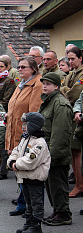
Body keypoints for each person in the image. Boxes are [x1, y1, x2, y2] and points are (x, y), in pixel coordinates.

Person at [6, 56, 43, 216]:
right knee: (19, 171)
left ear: (33, 69)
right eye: (19, 67)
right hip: (14, 133)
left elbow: (34, 113)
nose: (20, 69)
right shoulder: (21, 84)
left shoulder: (37, 84)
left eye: (24, 67)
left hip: (26, 136)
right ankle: (23, 204)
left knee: (28, 173)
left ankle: (29, 208)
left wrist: (28, 136)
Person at [7, 112, 51, 233]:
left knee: (36, 202)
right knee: (28, 202)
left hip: (34, 178)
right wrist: (11, 162)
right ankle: (29, 222)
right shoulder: (26, 139)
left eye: (26, 124)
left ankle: (36, 226)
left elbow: (31, 161)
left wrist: (17, 164)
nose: (24, 126)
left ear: (34, 125)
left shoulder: (39, 143)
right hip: (25, 177)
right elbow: (16, 151)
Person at [39, 72, 73, 226]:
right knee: (52, 185)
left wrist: (52, 156)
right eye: (44, 83)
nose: (44, 86)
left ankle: (63, 213)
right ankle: (57, 211)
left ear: (56, 86)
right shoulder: (49, 101)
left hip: (56, 152)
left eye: (48, 84)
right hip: (48, 150)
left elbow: (59, 134)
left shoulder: (59, 104)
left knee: (58, 184)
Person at [61, 46, 83, 198]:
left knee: (77, 152)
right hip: (70, 116)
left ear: (80, 58)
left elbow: (73, 93)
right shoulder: (71, 74)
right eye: (68, 59)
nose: (70, 62)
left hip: (77, 117)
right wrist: (64, 88)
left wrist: (63, 88)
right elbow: (63, 87)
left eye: (73, 59)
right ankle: (78, 182)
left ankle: (79, 185)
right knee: (73, 151)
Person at [0, 58, 16, 180]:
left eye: (1, 67)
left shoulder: (9, 81)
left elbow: (7, 99)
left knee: (2, 140)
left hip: (2, 112)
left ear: (7, 67)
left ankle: (3, 170)